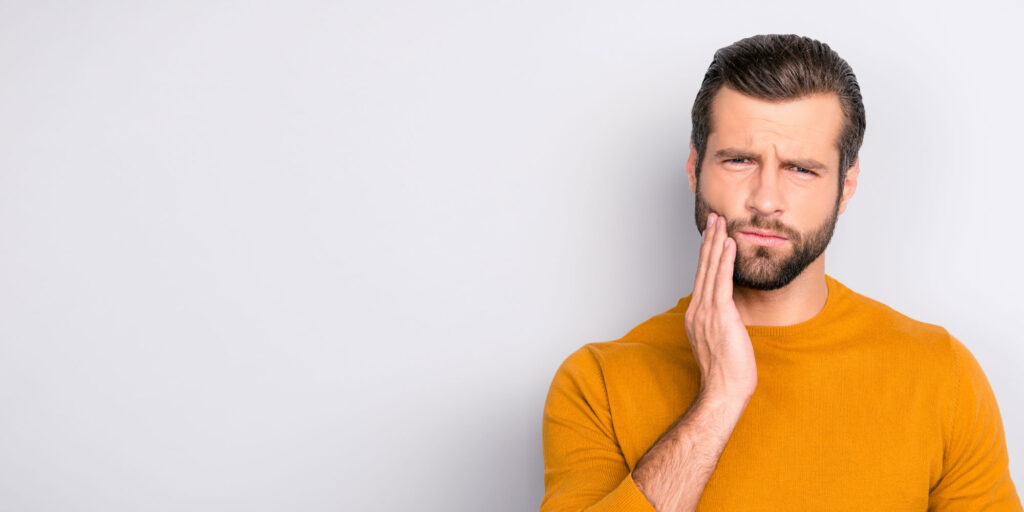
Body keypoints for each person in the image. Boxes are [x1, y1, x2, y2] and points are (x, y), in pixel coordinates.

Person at [539, 34, 1022, 511]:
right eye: (740, 160)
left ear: (847, 185)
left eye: (801, 170)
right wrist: (720, 400)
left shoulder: (941, 374)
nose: (766, 199)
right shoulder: (597, 382)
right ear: (694, 167)